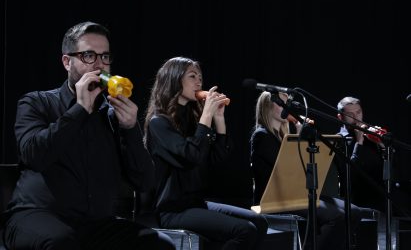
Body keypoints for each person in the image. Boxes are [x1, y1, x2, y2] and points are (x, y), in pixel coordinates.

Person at [2, 21, 175, 250]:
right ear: (67, 61)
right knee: (62, 243)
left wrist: (130, 128)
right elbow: (34, 156)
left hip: (95, 224)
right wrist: (79, 110)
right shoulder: (36, 102)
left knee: (160, 244)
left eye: (104, 57)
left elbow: (144, 181)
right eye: (88, 56)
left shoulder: (113, 115)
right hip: (36, 216)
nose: (99, 65)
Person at [143, 56, 268, 249]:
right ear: (174, 80)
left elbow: (218, 158)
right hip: (173, 210)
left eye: (200, 77)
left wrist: (219, 119)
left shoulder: (194, 119)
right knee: (245, 230)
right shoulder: (159, 123)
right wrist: (207, 115)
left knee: (259, 221)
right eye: (192, 76)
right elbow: (191, 155)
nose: (199, 82)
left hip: (197, 203)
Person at [250, 91, 362, 250]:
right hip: (275, 198)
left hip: (296, 193)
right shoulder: (261, 135)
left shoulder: (283, 135)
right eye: (280, 103)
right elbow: (286, 169)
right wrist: (300, 136)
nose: (286, 107)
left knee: (355, 212)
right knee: (338, 216)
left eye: (287, 103)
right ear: (267, 107)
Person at [336, 96, 386, 212]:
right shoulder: (338, 140)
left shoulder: (371, 136)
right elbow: (349, 175)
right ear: (340, 117)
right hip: (354, 204)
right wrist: (359, 143)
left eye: (358, 112)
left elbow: (394, 168)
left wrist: (382, 145)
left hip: (380, 201)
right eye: (350, 114)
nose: (356, 118)